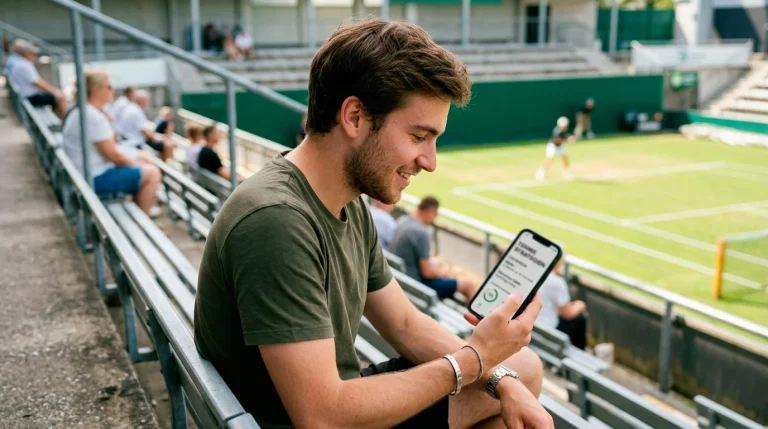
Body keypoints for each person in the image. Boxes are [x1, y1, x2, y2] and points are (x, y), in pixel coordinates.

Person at [194, 19, 552, 429]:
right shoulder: (276, 222)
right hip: (316, 416)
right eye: (420, 136)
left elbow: (404, 323)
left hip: (329, 399)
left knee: (519, 372)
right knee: (514, 377)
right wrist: (473, 360)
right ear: (355, 116)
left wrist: (498, 377)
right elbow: (321, 415)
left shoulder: (345, 198)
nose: (430, 161)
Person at [61, 68, 161, 215]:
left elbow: (111, 147)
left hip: (84, 174)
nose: (112, 89)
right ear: (96, 90)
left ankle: (140, 216)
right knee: (152, 173)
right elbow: (113, 155)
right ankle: (145, 225)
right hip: (92, 178)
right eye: (108, 86)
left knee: (143, 159)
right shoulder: (91, 116)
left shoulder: (85, 111)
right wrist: (136, 166)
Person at [390, 196, 479, 302]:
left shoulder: (402, 220)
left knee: (439, 263)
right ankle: (477, 318)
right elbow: (427, 272)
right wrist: (442, 273)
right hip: (417, 285)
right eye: (435, 214)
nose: (434, 218)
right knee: (468, 284)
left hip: (403, 278)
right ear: (430, 211)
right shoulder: (421, 232)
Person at [537, 254, 587, 350]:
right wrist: (580, 305)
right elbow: (568, 313)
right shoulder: (557, 282)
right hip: (546, 331)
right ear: (558, 263)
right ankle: (580, 353)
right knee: (580, 319)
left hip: (534, 328)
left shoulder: (532, 275)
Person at [8, 39, 67, 118]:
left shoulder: (21, 63)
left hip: (27, 96)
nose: (34, 56)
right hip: (30, 97)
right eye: (32, 54)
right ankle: (63, 121)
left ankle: (58, 119)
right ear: (26, 53)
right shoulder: (25, 65)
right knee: (61, 97)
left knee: (55, 97)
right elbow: (38, 83)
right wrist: (55, 92)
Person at [113, 89, 174, 161]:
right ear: (142, 101)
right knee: (169, 145)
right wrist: (159, 138)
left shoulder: (131, 108)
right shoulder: (136, 111)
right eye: (147, 100)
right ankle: (162, 168)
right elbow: (145, 132)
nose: (148, 103)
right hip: (135, 142)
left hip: (130, 139)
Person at [535, 116, 575, 182]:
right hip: (552, 146)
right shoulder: (557, 131)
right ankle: (540, 173)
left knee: (565, 158)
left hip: (560, 146)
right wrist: (568, 140)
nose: (565, 126)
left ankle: (566, 173)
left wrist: (569, 137)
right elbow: (558, 141)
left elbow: (565, 135)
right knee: (549, 160)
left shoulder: (563, 130)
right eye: (564, 125)